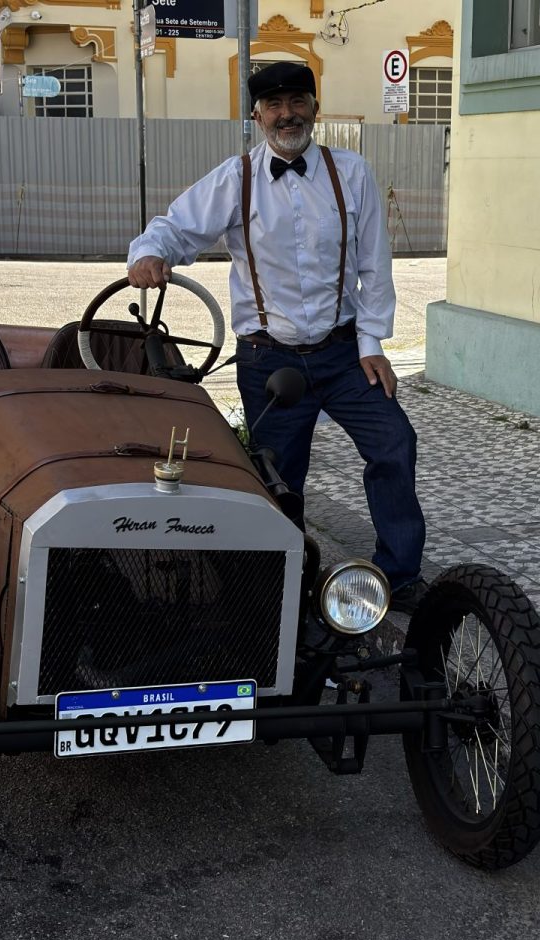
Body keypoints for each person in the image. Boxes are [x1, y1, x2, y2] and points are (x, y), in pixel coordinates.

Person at [126, 62, 427, 611]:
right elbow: (175, 226)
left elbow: (374, 265)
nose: (286, 114)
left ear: (314, 107)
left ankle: (399, 576)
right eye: (274, 105)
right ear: (257, 115)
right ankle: (280, 584)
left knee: (394, 444)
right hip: (270, 361)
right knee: (278, 477)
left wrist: (372, 343)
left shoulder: (351, 172)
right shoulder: (235, 178)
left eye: (296, 102)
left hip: (342, 355)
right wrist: (149, 254)